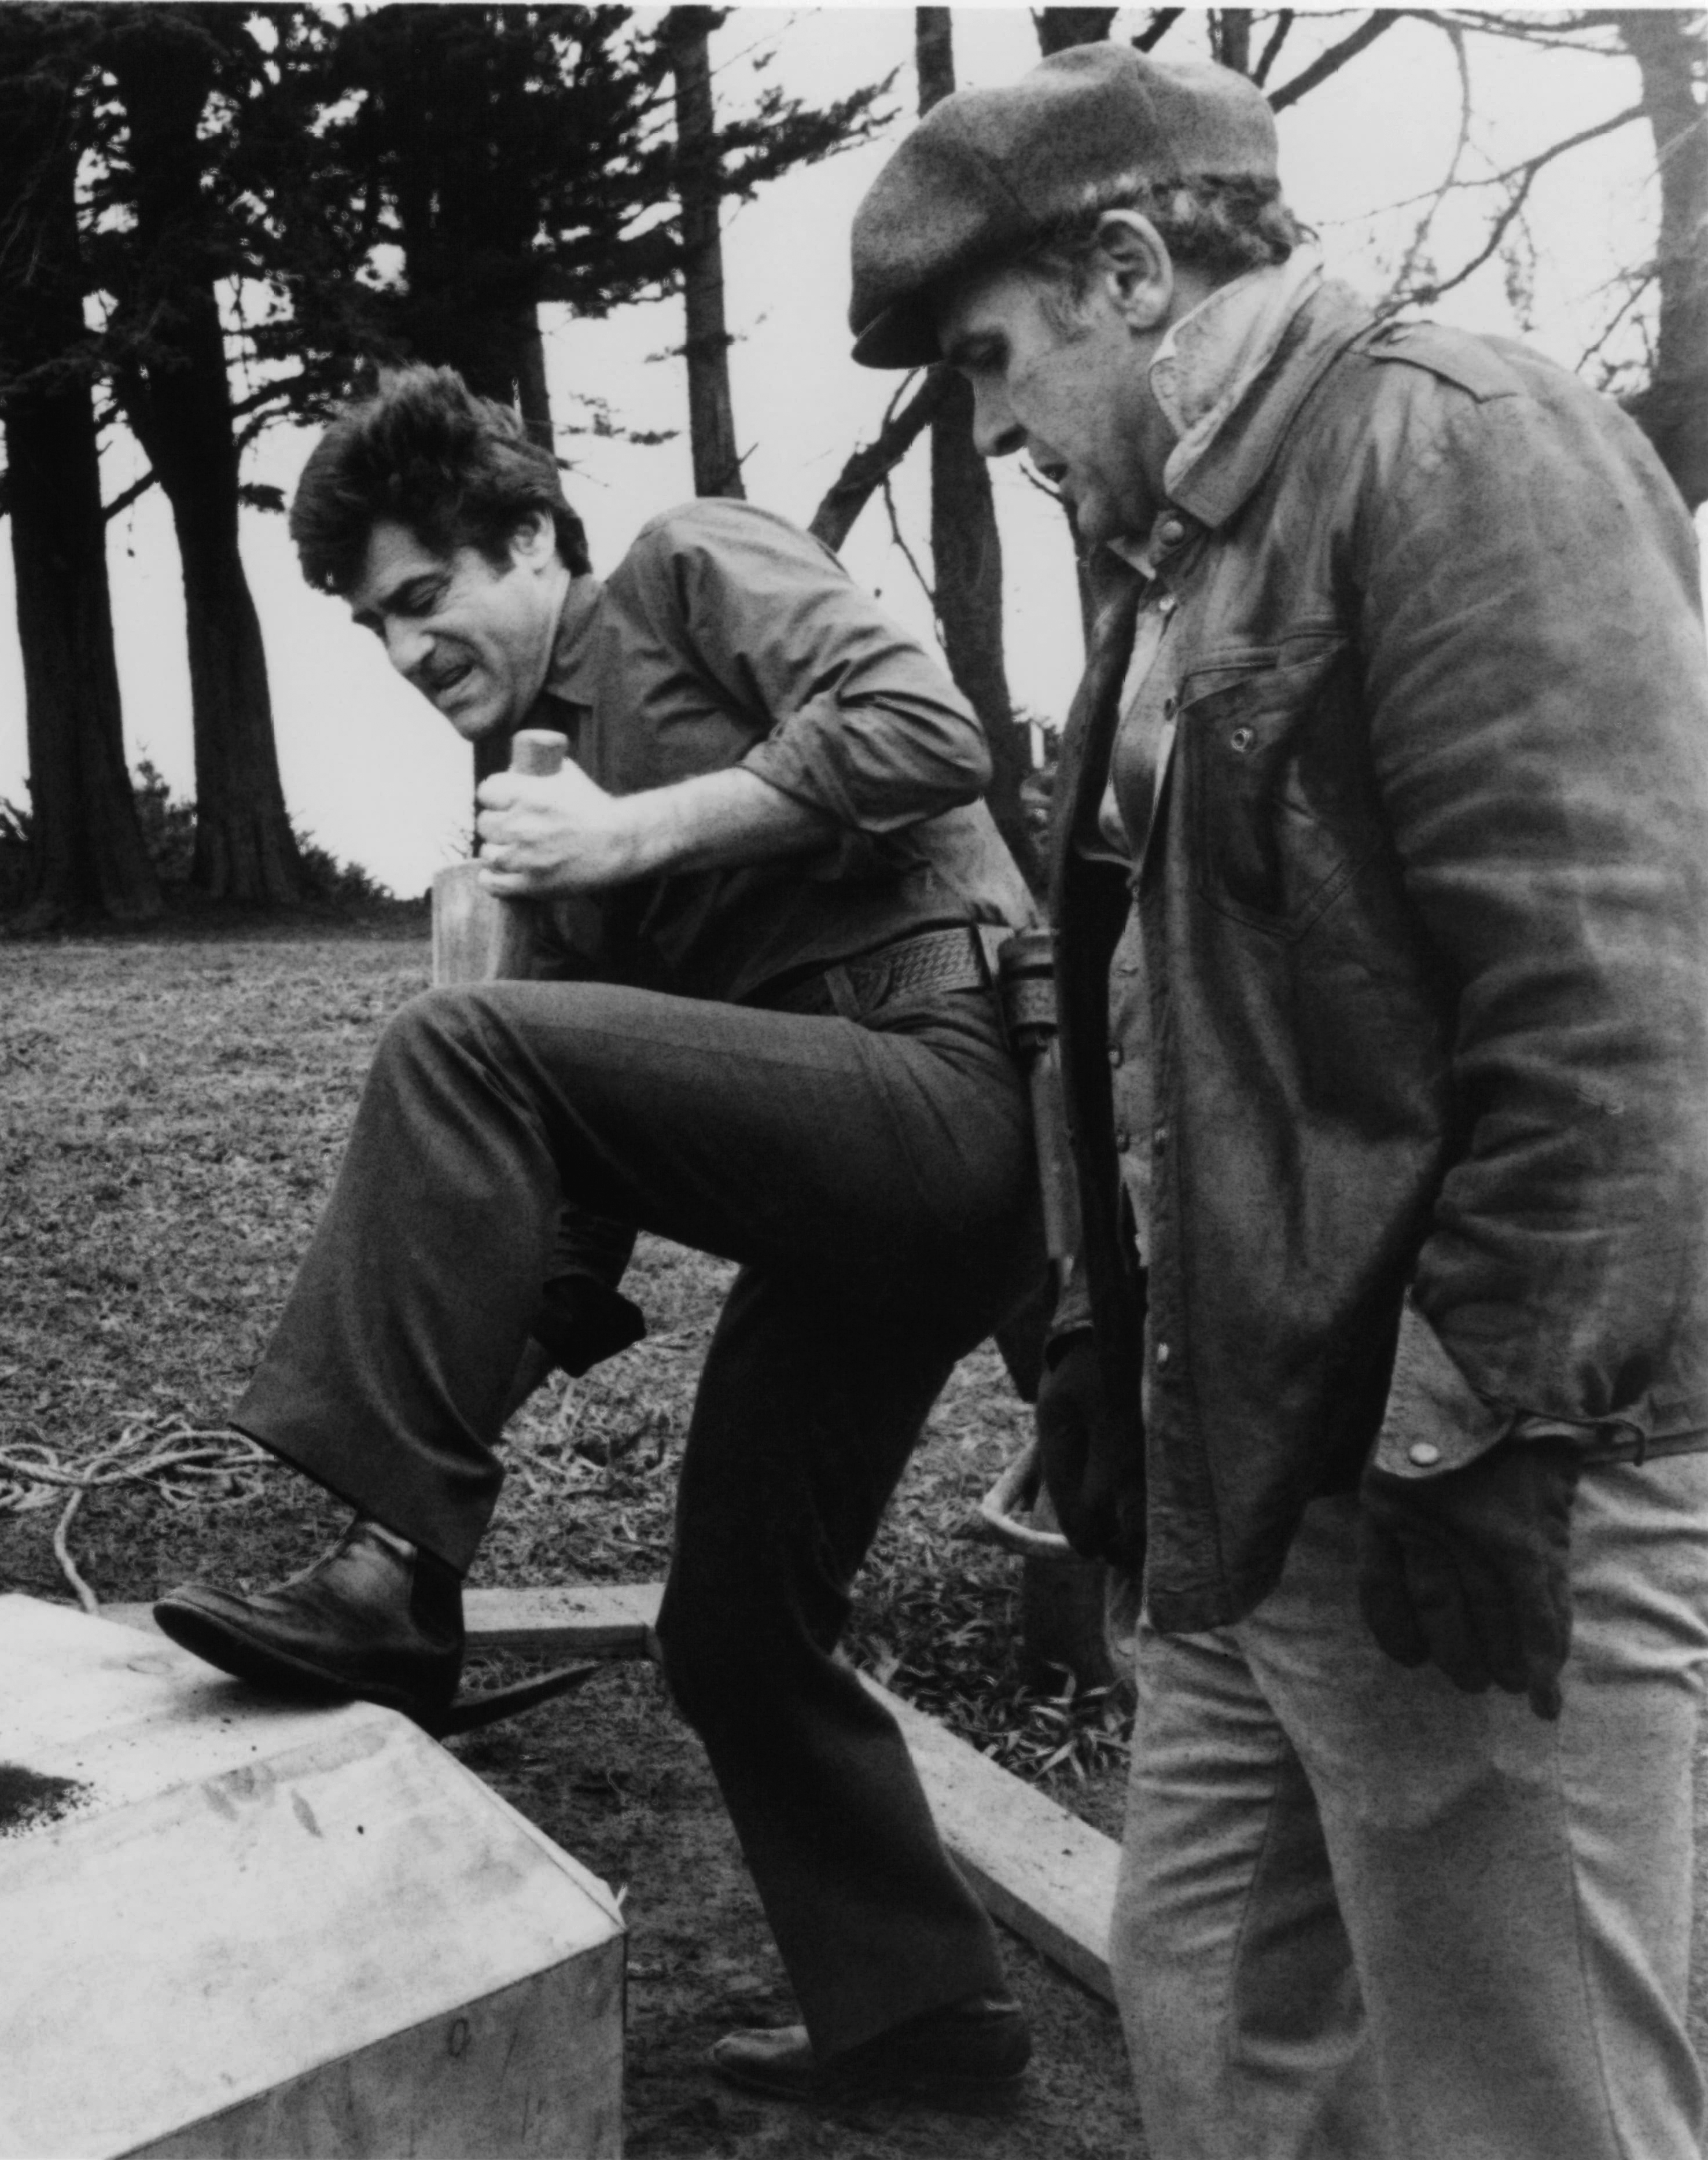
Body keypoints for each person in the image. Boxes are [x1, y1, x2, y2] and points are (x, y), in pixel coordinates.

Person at [846, 43, 1708, 2160]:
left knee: (1532, 2100)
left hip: (1470, 1468)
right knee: (1224, 2019)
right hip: (1253, 1465)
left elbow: (1624, 1007)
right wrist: (1093, 1350)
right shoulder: (1170, 565)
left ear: (1129, 268)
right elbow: (1160, 1009)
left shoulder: (1462, 450)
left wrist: (1485, 1426)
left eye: (990, 360)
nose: (990, 426)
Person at [152, 363, 1047, 2110]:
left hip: (950, 1096)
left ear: (532, 541)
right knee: (730, 1626)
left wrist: (627, 832)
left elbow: (928, 733)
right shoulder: (524, 786)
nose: (409, 651)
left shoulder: (685, 567)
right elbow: (562, 1182)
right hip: (841, 1215)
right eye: (371, 628)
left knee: (454, 1033)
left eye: (427, 596)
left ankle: (401, 1585)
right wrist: (492, 1347)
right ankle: (920, 2011)